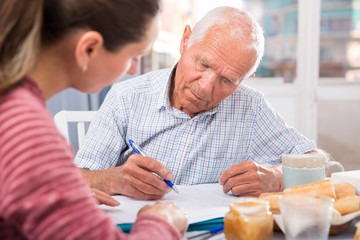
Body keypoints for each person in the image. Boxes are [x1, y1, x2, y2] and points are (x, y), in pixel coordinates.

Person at [75, 6, 320, 200]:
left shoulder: (250, 107)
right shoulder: (126, 97)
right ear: (185, 41)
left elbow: (324, 164)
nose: (205, 87)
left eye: (227, 80)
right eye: (203, 64)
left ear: (244, 80)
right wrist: (114, 179)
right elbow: (76, 180)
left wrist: (277, 177)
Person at [0, 0, 188, 239]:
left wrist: (66, 201)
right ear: (89, 49)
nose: (133, 69)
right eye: (133, 56)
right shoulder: (27, 131)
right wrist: (162, 221)